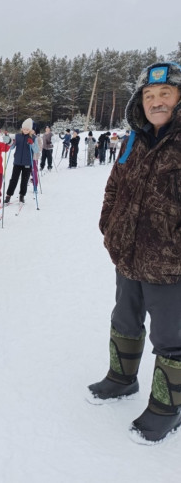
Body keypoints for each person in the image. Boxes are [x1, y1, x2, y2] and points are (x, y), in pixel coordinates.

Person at [87, 62, 181, 444]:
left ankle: (166, 409)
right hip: (128, 254)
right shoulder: (133, 140)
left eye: (165, 94)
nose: (156, 101)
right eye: (149, 96)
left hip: (172, 264)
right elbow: (114, 187)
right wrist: (110, 226)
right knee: (124, 318)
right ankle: (121, 379)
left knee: (171, 337)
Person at [4, 118, 38, 203]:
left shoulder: (33, 138)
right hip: (17, 162)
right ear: (21, 128)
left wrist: (32, 144)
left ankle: (22, 195)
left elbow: (36, 150)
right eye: (24, 129)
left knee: (24, 180)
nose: (25, 130)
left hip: (27, 163)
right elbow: (12, 147)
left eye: (27, 129)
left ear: (30, 130)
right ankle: (8, 195)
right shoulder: (17, 136)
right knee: (13, 179)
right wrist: (9, 141)